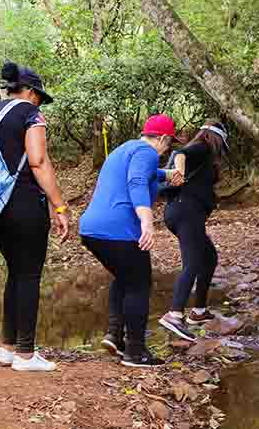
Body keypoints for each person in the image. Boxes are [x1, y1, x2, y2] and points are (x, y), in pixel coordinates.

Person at [0, 62, 70, 373]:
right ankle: (26, 354)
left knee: (16, 272)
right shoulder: (30, 114)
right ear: (30, 92)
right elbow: (38, 160)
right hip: (23, 204)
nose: (40, 104)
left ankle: (7, 347)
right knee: (29, 274)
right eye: (39, 97)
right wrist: (59, 206)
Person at [79, 115, 180, 368]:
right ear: (163, 139)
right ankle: (136, 352)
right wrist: (147, 221)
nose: (167, 149)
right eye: (169, 144)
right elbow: (136, 181)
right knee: (139, 283)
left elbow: (148, 174)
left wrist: (168, 175)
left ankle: (115, 336)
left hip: (92, 228)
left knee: (125, 278)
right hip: (118, 229)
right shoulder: (147, 152)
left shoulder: (125, 148)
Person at [158, 121, 230, 341]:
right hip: (186, 210)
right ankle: (174, 315)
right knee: (193, 262)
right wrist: (178, 171)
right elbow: (181, 153)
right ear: (216, 139)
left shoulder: (205, 155)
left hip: (183, 211)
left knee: (209, 257)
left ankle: (198, 312)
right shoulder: (203, 147)